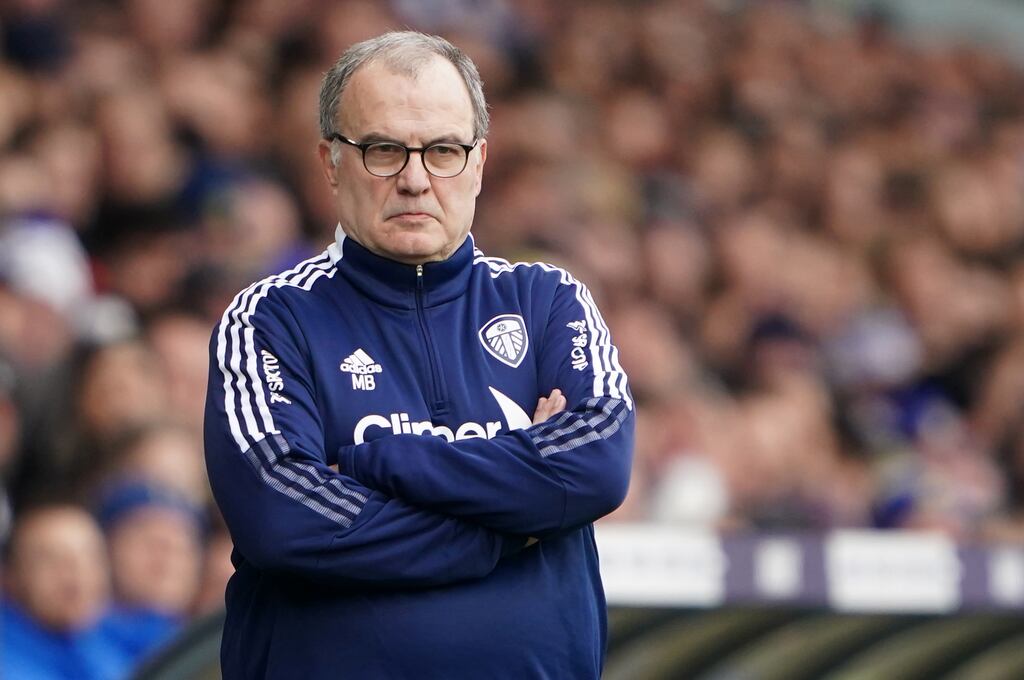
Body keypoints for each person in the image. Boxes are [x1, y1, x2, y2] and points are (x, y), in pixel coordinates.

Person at [204, 31, 634, 679]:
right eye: (382, 150)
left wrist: (388, 461)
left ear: (480, 161)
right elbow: (284, 521)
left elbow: (596, 469)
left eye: (443, 151)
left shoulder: (549, 302)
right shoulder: (270, 320)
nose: (414, 179)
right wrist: (513, 521)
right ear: (329, 160)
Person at [1, 504, 130, 680]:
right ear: (9, 577)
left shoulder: (104, 640)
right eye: (51, 559)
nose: (76, 573)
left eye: (90, 557)